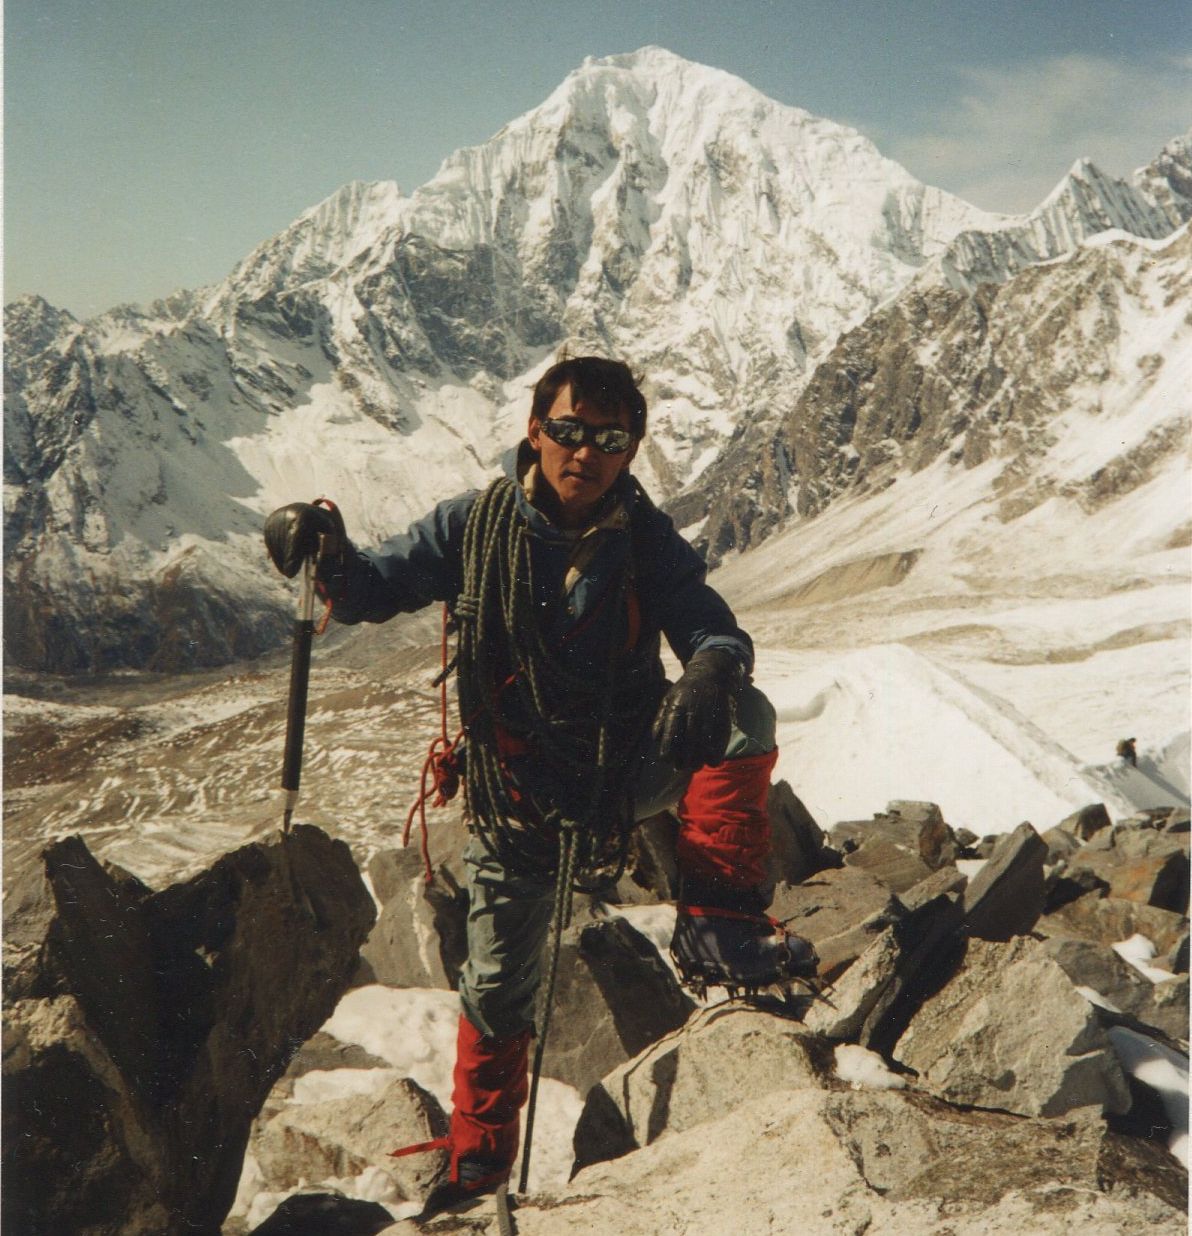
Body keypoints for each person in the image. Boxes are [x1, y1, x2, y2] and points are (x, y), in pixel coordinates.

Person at [264, 355, 816, 1214]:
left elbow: (711, 624)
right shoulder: (473, 525)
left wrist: (714, 667)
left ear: (630, 449)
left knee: (745, 715)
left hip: (619, 770)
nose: (584, 452)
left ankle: (717, 925)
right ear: (535, 431)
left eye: (608, 438)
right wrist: (326, 556)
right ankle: (478, 1165)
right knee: (495, 985)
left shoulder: (644, 538)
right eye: (568, 431)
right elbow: (375, 587)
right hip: (514, 792)